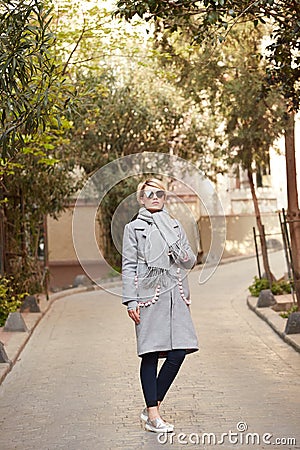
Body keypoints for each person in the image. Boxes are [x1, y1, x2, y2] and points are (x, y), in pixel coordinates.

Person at [121, 178, 199, 433]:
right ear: (141, 199)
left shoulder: (175, 226)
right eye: (149, 194)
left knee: (179, 353)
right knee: (151, 354)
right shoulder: (133, 229)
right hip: (148, 297)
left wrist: (175, 248)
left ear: (165, 198)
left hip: (176, 295)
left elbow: (189, 261)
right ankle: (154, 415)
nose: (155, 197)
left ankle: (150, 407)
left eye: (160, 194)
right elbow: (129, 266)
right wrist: (130, 300)